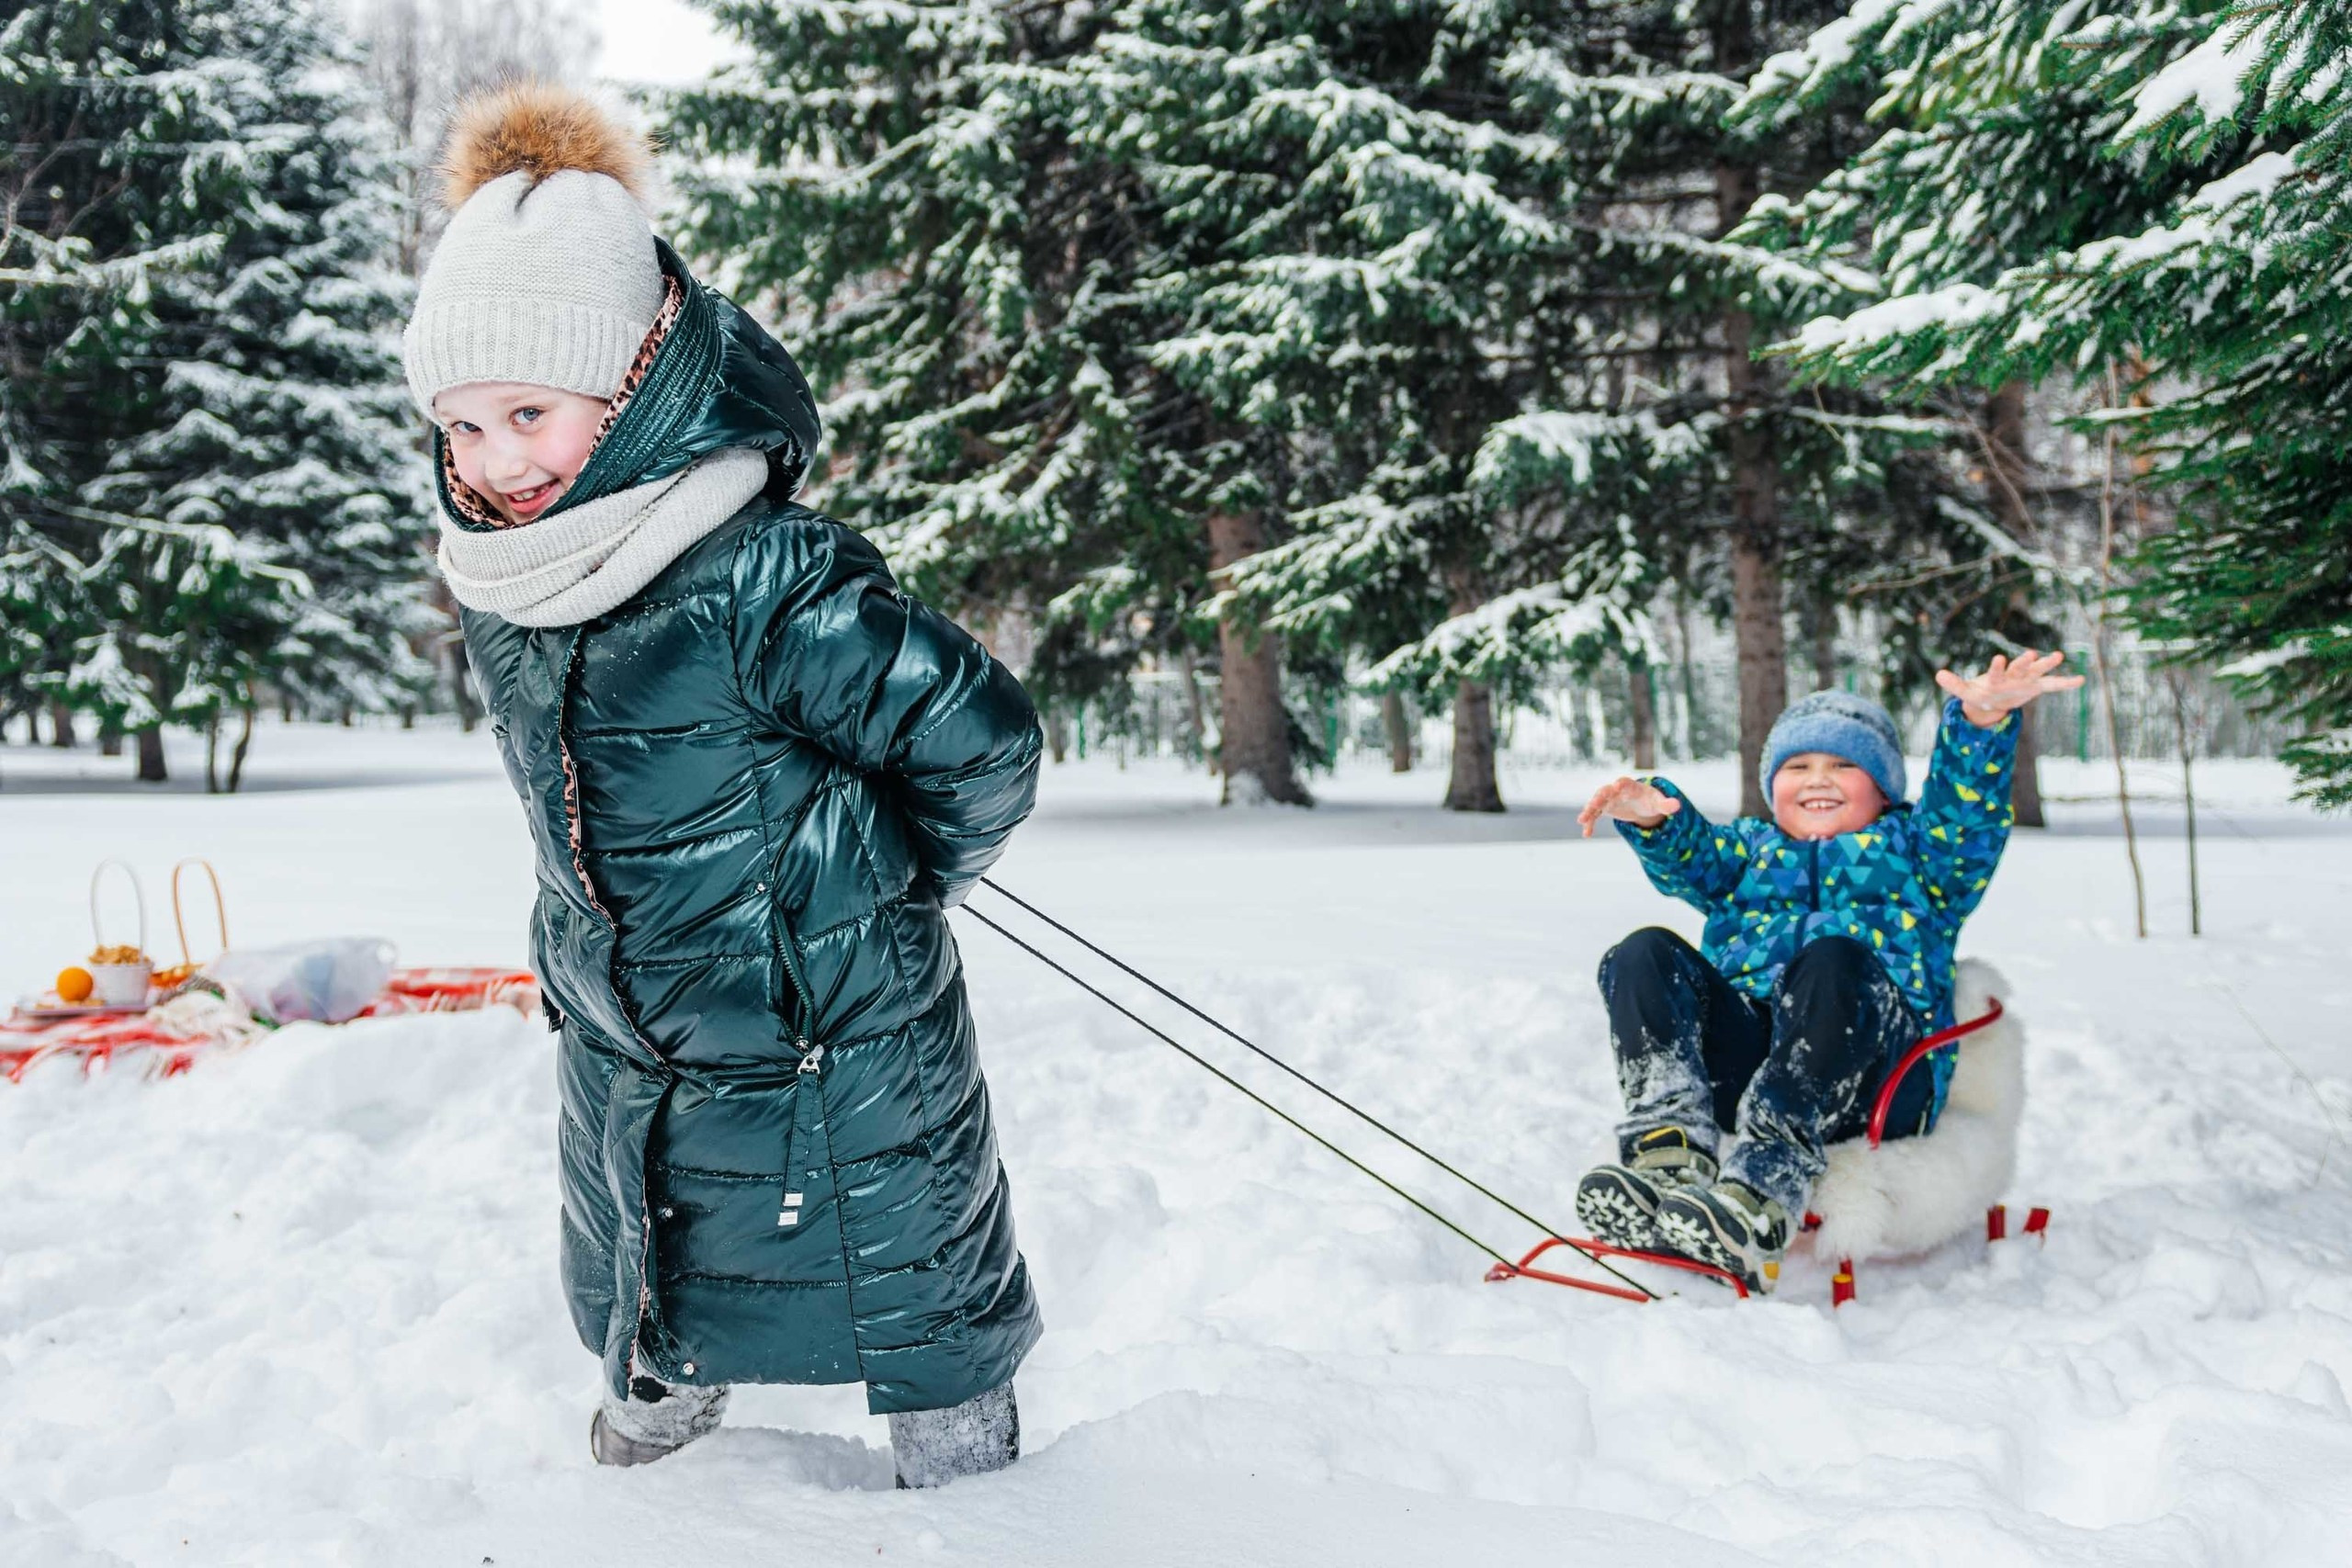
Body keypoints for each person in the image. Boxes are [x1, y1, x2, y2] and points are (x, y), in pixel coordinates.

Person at [404, 83, 1041, 1483]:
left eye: (527, 410)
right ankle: (654, 1457)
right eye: (461, 427)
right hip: (633, 1034)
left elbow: (981, 738)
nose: (496, 462)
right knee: (651, 1270)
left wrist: (889, 880)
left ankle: (977, 1486)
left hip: (838, 1030)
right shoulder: (508, 586)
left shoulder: (755, 568)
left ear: (633, 379)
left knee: (917, 1292)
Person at [1572, 654, 2082, 1292]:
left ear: (1885, 788)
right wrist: (1656, 815)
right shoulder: (1749, 857)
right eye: (1797, 765)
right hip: (1756, 1068)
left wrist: (1979, 724)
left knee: (1833, 958)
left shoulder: (1922, 859)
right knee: (1642, 952)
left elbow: (1964, 818)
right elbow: (1695, 854)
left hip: (1877, 1079)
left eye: (1845, 764)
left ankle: (1768, 1178)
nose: (1820, 778)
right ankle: (1668, 1149)